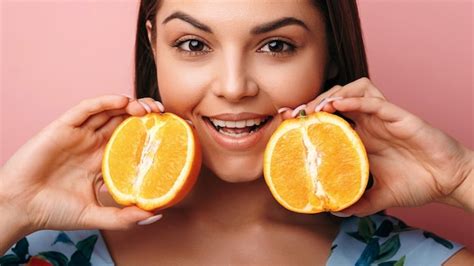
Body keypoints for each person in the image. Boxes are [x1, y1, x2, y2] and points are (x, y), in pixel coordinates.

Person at [1, 0, 473, 265]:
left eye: (275, 45)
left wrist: (461, 177)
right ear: (153, 45)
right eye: (193, 44)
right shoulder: (33, 243)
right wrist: (11, 207)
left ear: (328, 54)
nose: (233, 87)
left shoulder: (402, 258)